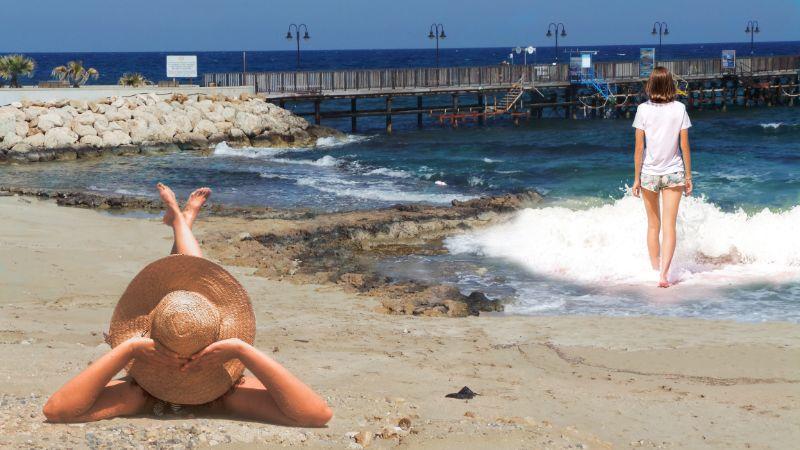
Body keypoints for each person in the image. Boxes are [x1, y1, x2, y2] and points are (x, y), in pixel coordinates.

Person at [43, 184, 333, 426]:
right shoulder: (226, 393)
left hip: (155, 360)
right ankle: (182, 223)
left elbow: (56, 411)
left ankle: (182, 223)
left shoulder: (136, 394)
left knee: (187, 291)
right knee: (190, 291)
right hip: (202, 363)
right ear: (218, 344)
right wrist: (242, 350)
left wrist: (128, 349)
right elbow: (317, 415)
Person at [631, 67, 693, 288]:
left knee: (653, 226)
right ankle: (663, 275)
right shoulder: (680, 109)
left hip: (648, 173)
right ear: (670, 85)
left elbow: (639, 148)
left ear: (650, 85)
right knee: (669, 226)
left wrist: (636, 178)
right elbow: (684, 146)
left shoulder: (642, 110)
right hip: (674, 172)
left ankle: (654, 269)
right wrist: (688, 176)